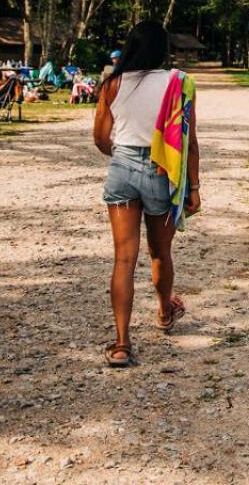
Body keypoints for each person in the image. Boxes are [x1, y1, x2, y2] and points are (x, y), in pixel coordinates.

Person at [93, 21, 201, 368]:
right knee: (160, 253)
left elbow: (100, 137)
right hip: (161, 171)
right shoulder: (178, 83)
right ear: (163, 50)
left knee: (123, 259)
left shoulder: (112, 83)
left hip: (122, 169)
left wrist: (124, 156)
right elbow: (188, 140)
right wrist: (194, 187)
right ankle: (165, 311)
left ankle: (122, 344)